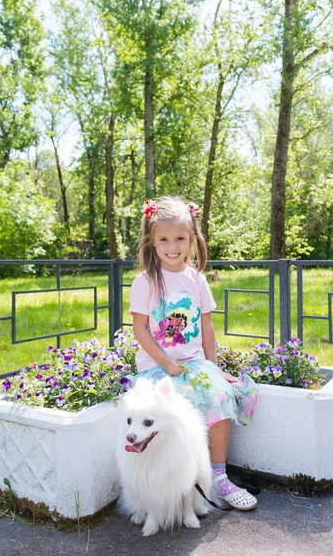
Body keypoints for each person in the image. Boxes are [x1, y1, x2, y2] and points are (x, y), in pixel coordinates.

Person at [129, 195, 258, 510]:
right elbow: (141, 330)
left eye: (180, 239)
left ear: (192, 239)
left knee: (218, 395)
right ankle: (179, 482)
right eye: (164, 239)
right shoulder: (145, 282)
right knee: (176, 407)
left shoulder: (197, 279)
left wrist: (213, 368)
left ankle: (219, 477)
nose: (173, 246)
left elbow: (207, 328)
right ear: (152, 241)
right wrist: (165, 361)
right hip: (157, 369)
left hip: (194, 364)